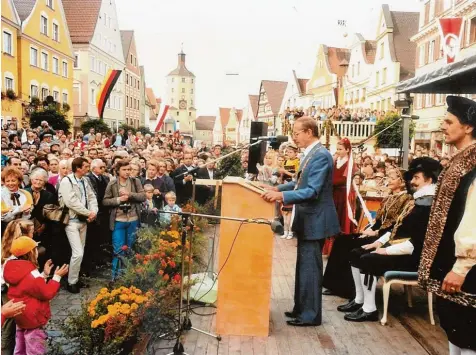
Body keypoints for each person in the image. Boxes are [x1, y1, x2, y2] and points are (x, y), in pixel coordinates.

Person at [261, 117, 340, 327]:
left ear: (309, 132)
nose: (294, 137)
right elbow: (298, 182)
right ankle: (301, 309)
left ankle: (310, 315)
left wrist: (282, 198)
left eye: (296, 133)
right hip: (308, 220)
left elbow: (312, 191)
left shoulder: (321, 156)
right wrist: (278, 189)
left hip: (316, 221)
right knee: (304, 267)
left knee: (311, 270)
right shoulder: (310, 154)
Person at [343, 158, 441, 322]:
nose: (412, 182)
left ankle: (370, 309)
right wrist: (378, 242)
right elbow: (398, 228)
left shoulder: (428, 206)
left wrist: (386, 250)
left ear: (429, 180)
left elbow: (417, 243)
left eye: (417, 178)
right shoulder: (418, 202)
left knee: (368, 259)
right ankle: (360, 300)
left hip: (414, 257)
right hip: (403, 249)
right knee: (356, 253)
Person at [418, 96, 476, 354]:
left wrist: (461, 267)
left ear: (468, 127)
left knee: (468, 333)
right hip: (451, 265)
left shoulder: (472, 167)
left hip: (465, 267)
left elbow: (473, 219)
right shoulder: (459, 162)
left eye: (449, 121)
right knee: (454, 327)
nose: (443, 125)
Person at [323, 169, 412, 299]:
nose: (389, 181)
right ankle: (335, 285)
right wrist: (370, 230)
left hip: (386, 237)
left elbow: (397, 225)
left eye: (392, 178)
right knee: (341, 240)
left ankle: (347, 289)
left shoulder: (407, 199)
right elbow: (380, 220)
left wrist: (376, 232)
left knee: (349, 245)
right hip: (377, 232)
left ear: (402, 182)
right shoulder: (389, 197)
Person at [3, 237, 69, 355]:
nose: (38, 250)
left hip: (20, 315)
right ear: (31, 252)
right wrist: (57, 277)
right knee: (35, 350)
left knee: (20, 348)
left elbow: (28, 287)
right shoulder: (32, 274)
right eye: (35, 249)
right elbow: (46, 293)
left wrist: (43, 274)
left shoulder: (12, 269)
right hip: (33, 318)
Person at [58, 157, 98, 294]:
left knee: (81, 251)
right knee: (78, 253)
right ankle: (71, 282)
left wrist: (93, 212)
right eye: (86, 166)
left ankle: (75, 279)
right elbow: (71, 202)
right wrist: (88, 213)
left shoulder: (85, 180)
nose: (88, 168)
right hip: (71, 222)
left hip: (83, 222)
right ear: (78, 168)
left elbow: (92, 197)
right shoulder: (66, 181)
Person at [103, 159, 146, 281]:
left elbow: (143, 196)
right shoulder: (112, 184)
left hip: (133, 219)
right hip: (118, 220)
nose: (127, 172)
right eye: (124, 170)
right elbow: (105, 201)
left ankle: (128, 276)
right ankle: (115, 278)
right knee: (118, 249)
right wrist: (118, 200)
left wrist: (130, 194)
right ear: (117, 171)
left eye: (129, 170)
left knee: (130, 249)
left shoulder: (135, 181)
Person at [1, 220, 35, 355]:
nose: (34, 234)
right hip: (9, 291)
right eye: (32, 232)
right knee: (9, 327)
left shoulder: (6, 248)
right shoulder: (15, 256)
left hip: (7, 289)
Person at [324, 138, 356, 256]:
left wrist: (328, 182)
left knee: (341, 219)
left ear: (347, 150)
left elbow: (343, 179)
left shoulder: (350, 163)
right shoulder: (336, 161)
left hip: (343, 195)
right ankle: (329, 249)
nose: (338, 151)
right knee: (332, 219)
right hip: (333, 194)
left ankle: (339, 250)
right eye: (337, 149)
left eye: (340, 149)